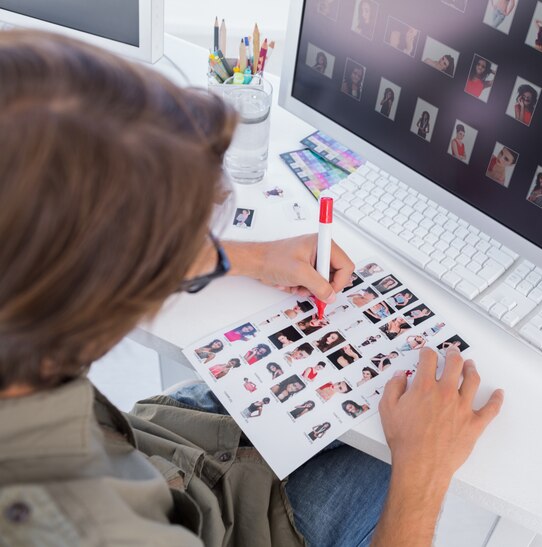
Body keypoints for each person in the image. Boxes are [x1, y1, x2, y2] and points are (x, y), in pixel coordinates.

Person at [0, 30, 503, 547]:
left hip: (173, 454)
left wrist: (250, 257)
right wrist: (423, 473)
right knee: (432, 448)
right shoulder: (87, 532)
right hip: (241, 529)